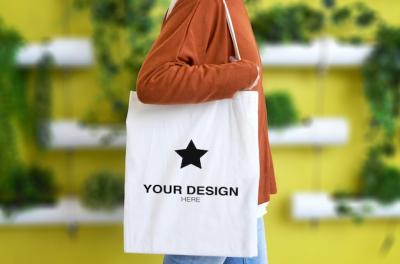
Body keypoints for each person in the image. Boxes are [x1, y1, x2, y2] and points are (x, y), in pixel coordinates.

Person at [135, 0, 277, 263]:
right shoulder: (204, 2)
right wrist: (242, 74)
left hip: (238, 185)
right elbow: (153, 81)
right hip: (214, 189)